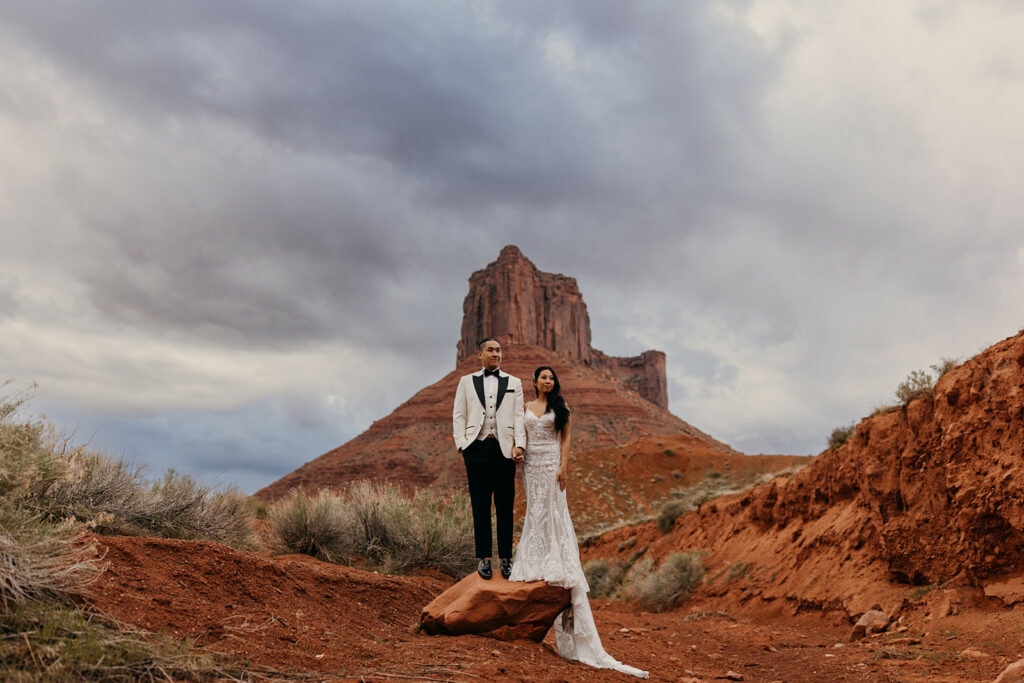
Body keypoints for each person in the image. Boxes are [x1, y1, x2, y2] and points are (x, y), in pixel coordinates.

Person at [509, 366, 648, 678]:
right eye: (543, 377)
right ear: (534, 381)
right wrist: (517, 451)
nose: (548, 381)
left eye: (551, 377)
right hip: (531, 467)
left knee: (554, 512)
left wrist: (563, 467)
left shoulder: (562, 408)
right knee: (536, 512)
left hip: (552, 465)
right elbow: (520, 436)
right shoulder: (525, 407)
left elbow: (567, 440)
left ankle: (555, 562)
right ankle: (535, 562)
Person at [452, 337, 526, 580]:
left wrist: (519, 445)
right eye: (491, 350)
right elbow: (459, 414)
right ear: (480, 354)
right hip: (476, 449)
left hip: (504, 450)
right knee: (480, 504)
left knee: (505, 505)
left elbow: (518, 417)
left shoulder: (514, 382)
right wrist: (463, 444)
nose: (496, 354)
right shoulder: (466, 382)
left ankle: (506, 559)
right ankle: (484, 558)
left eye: (499, 350)